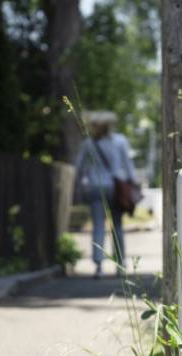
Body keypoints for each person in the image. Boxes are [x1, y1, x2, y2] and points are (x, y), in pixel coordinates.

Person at [73, 111, 136, 277]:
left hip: (95, 187)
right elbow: (128, 166)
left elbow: (79, 168)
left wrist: (82, 185)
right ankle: (120, 263)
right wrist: (133, 183)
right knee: (117, 226)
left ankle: (98, 265)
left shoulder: (88, 144)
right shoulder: (120, 141)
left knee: (98, 226)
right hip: (115, 188)